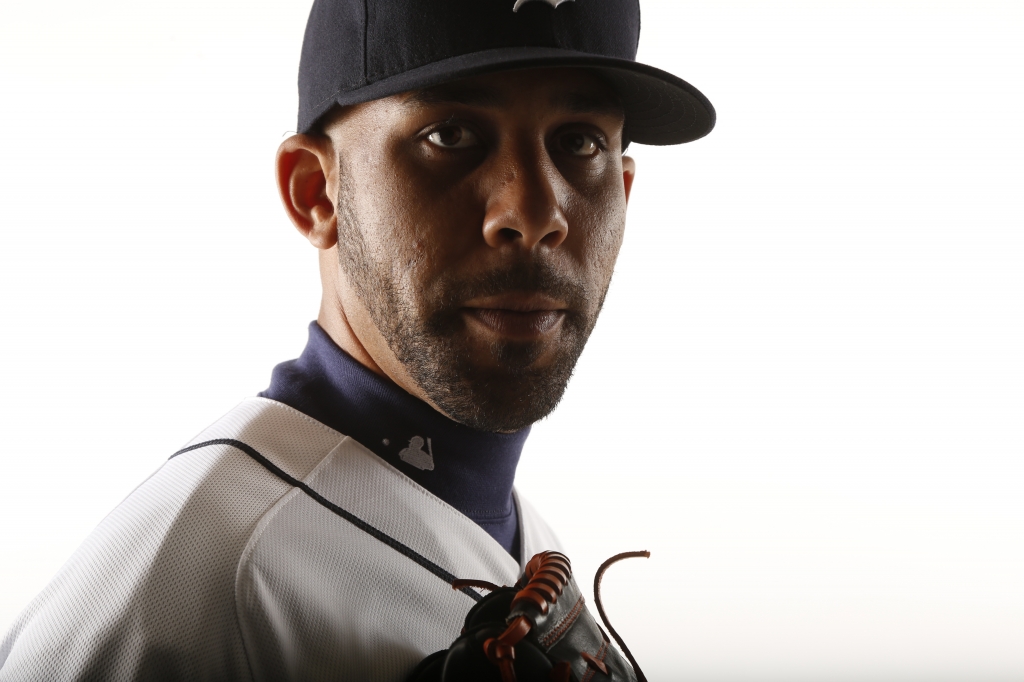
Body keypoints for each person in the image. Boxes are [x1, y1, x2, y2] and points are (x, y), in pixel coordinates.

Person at [0, 0, 713, 679]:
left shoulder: (524, 539)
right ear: (316, 191)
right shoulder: (184, 600)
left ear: (624, 188)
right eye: (451, 135)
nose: (533, 210)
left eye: (579, 142)